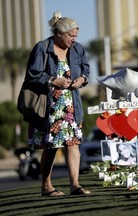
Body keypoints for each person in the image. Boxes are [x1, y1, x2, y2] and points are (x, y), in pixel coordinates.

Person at [24, 11, 91, 196]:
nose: (74, 39)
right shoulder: (42, 47)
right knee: (51, 147)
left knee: (73, 143)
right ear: (59, 33)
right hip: (49, 106)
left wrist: (82, 80)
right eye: (71, 36)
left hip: (72, 106)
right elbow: (32, 75)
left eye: (76, 36)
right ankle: (46, 186)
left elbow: (86, 69)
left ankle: (75, 185)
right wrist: (53, 80)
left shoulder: (78, 49)